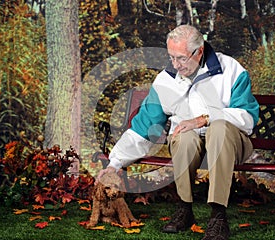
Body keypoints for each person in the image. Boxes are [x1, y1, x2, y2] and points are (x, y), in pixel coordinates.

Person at [97, 24, 259, 239]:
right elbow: (142, 128)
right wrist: (115, 164)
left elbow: (247, 118)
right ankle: (185, 208)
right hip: (190, 144)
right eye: (171, 57)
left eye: (181, 58)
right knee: (183, 136)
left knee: (218, 128)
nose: (175, 65)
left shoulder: (231, 69)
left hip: (231, 142)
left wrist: (204, 120)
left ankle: (218, 216)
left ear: (199, 51)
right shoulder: (166, 80)